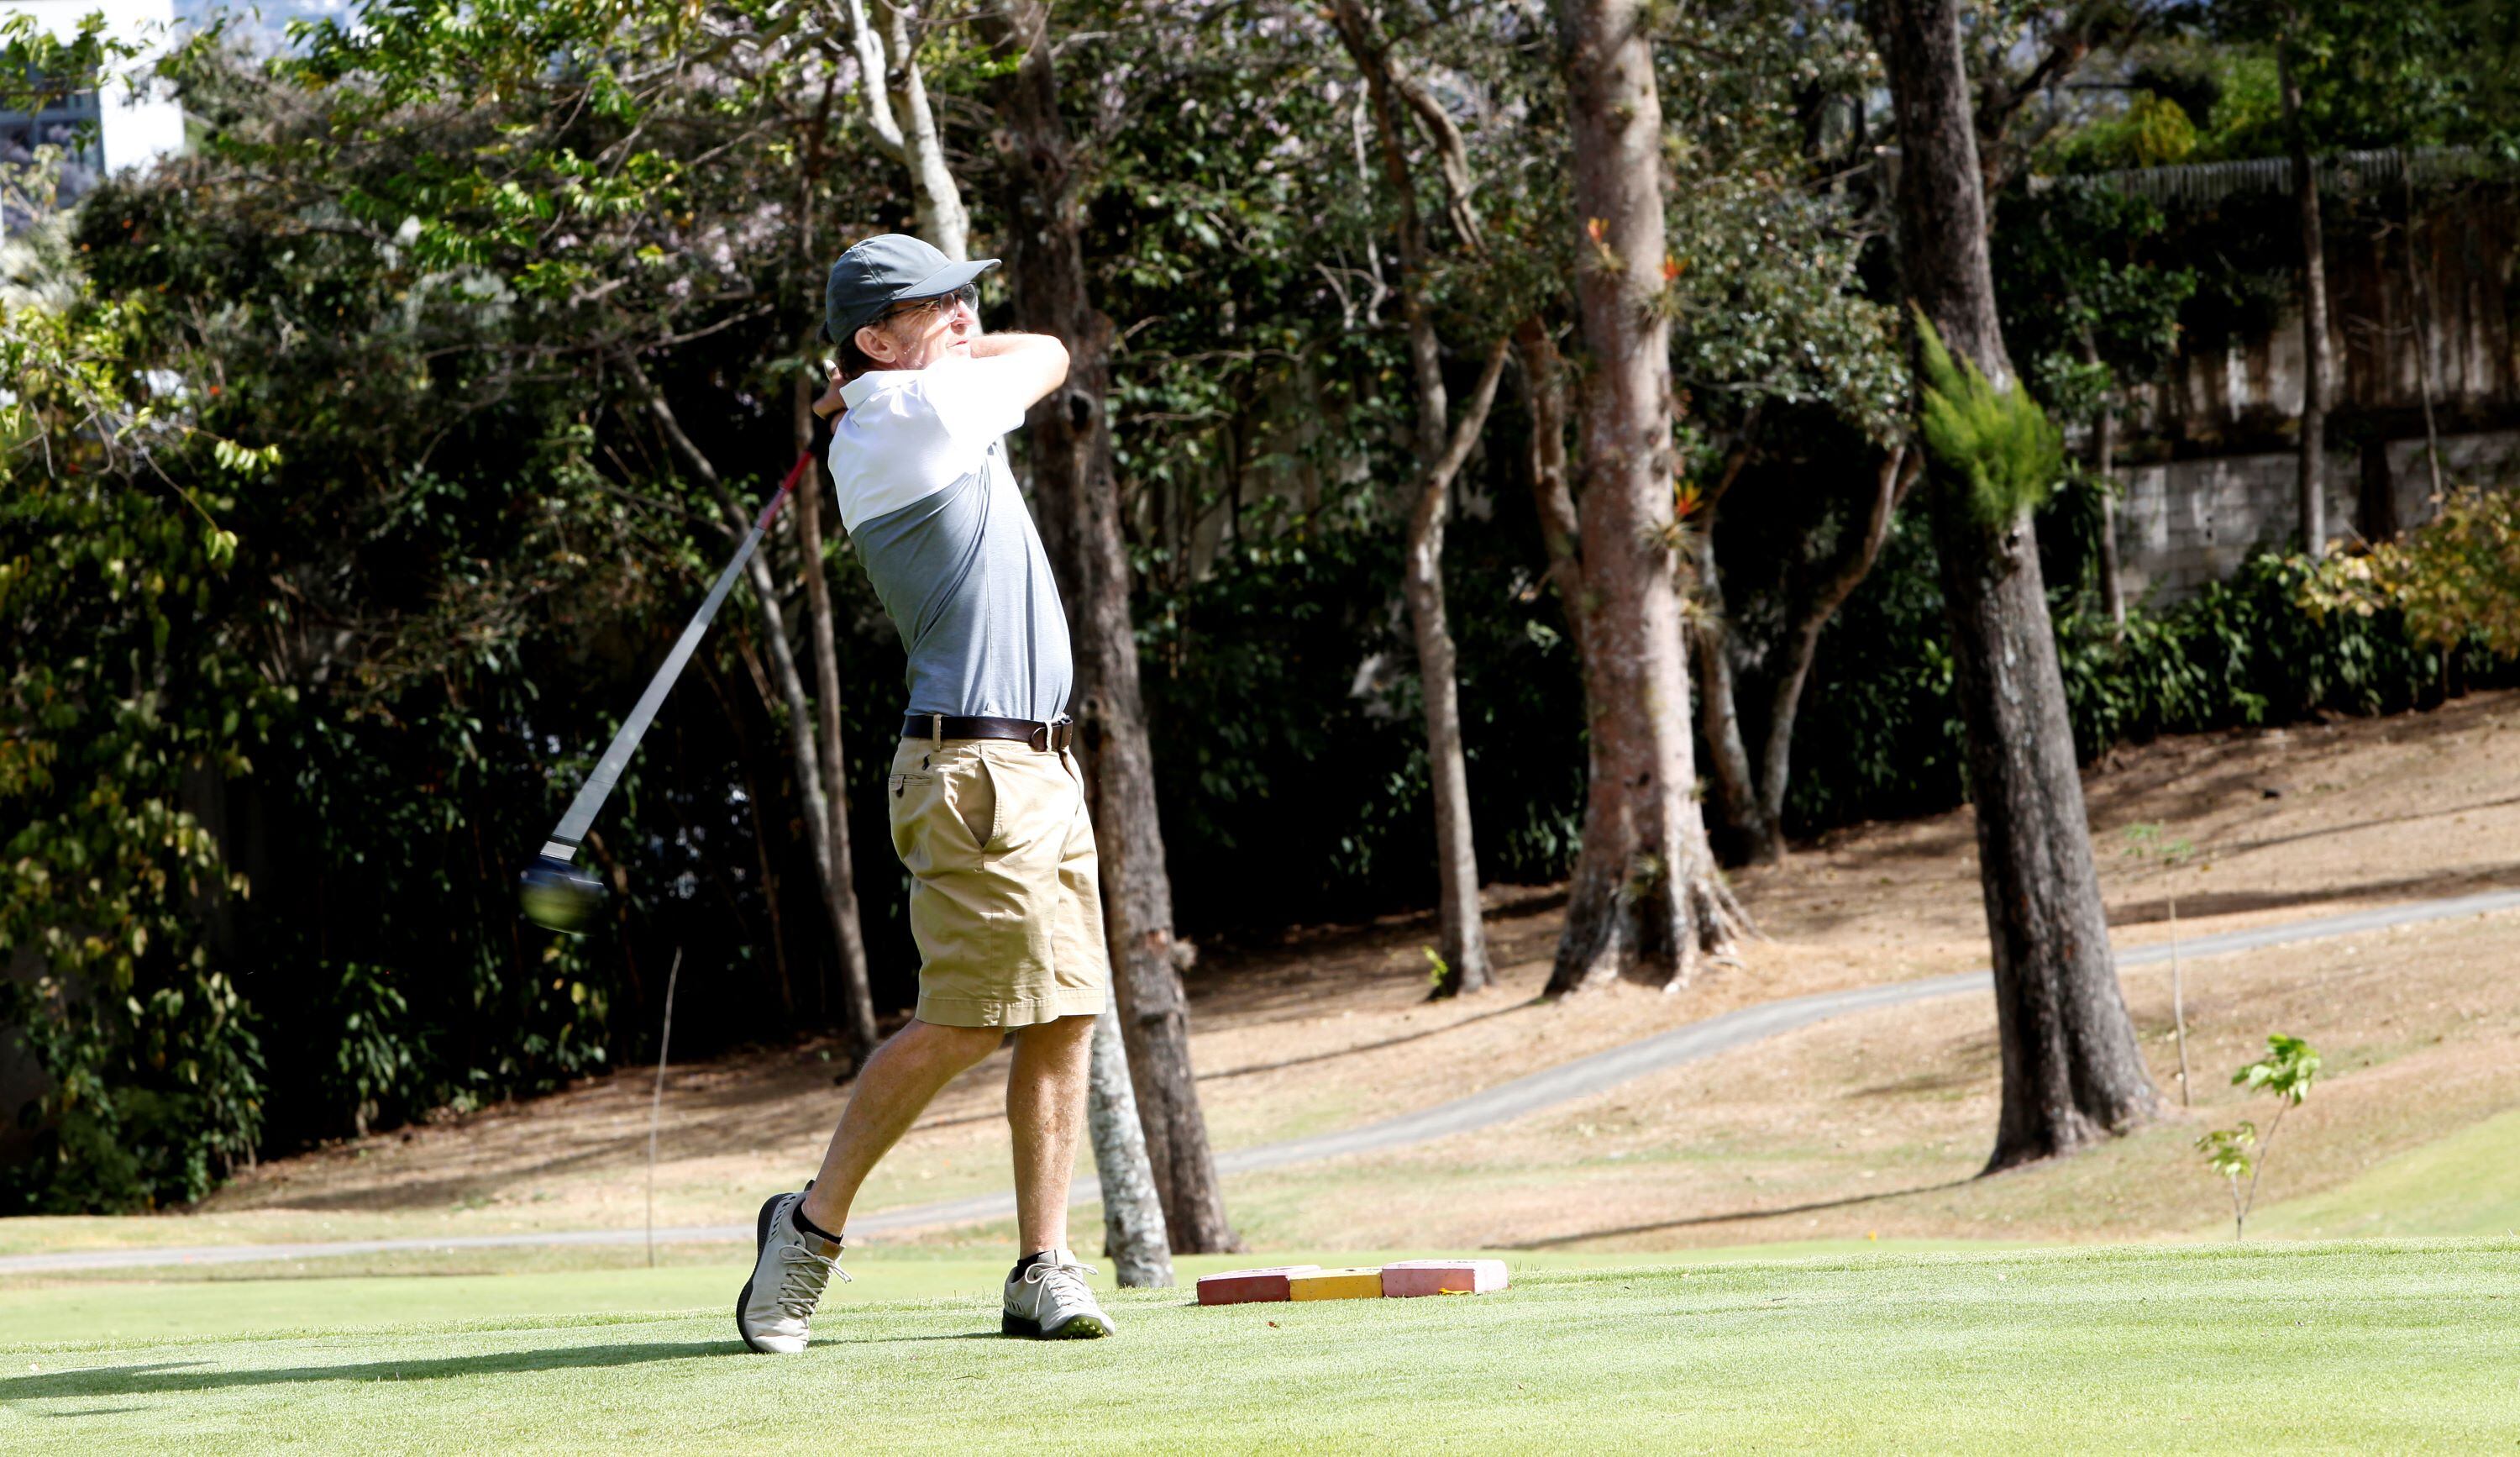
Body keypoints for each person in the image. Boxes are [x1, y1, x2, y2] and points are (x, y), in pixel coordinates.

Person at [736, 234, 1114, 1352]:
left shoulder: (907, 397)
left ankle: (1041, 1268)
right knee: (965, 1021)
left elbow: (1027, 344)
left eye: (964, 294)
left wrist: (916, 353)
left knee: (1064, 1015)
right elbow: (1044, 356)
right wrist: (892, 380)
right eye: (933, 303)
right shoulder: (903, 420)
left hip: (1042, 765)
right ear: (873, 338)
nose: (963, 313)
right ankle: (803, 1232)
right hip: (971, 772)